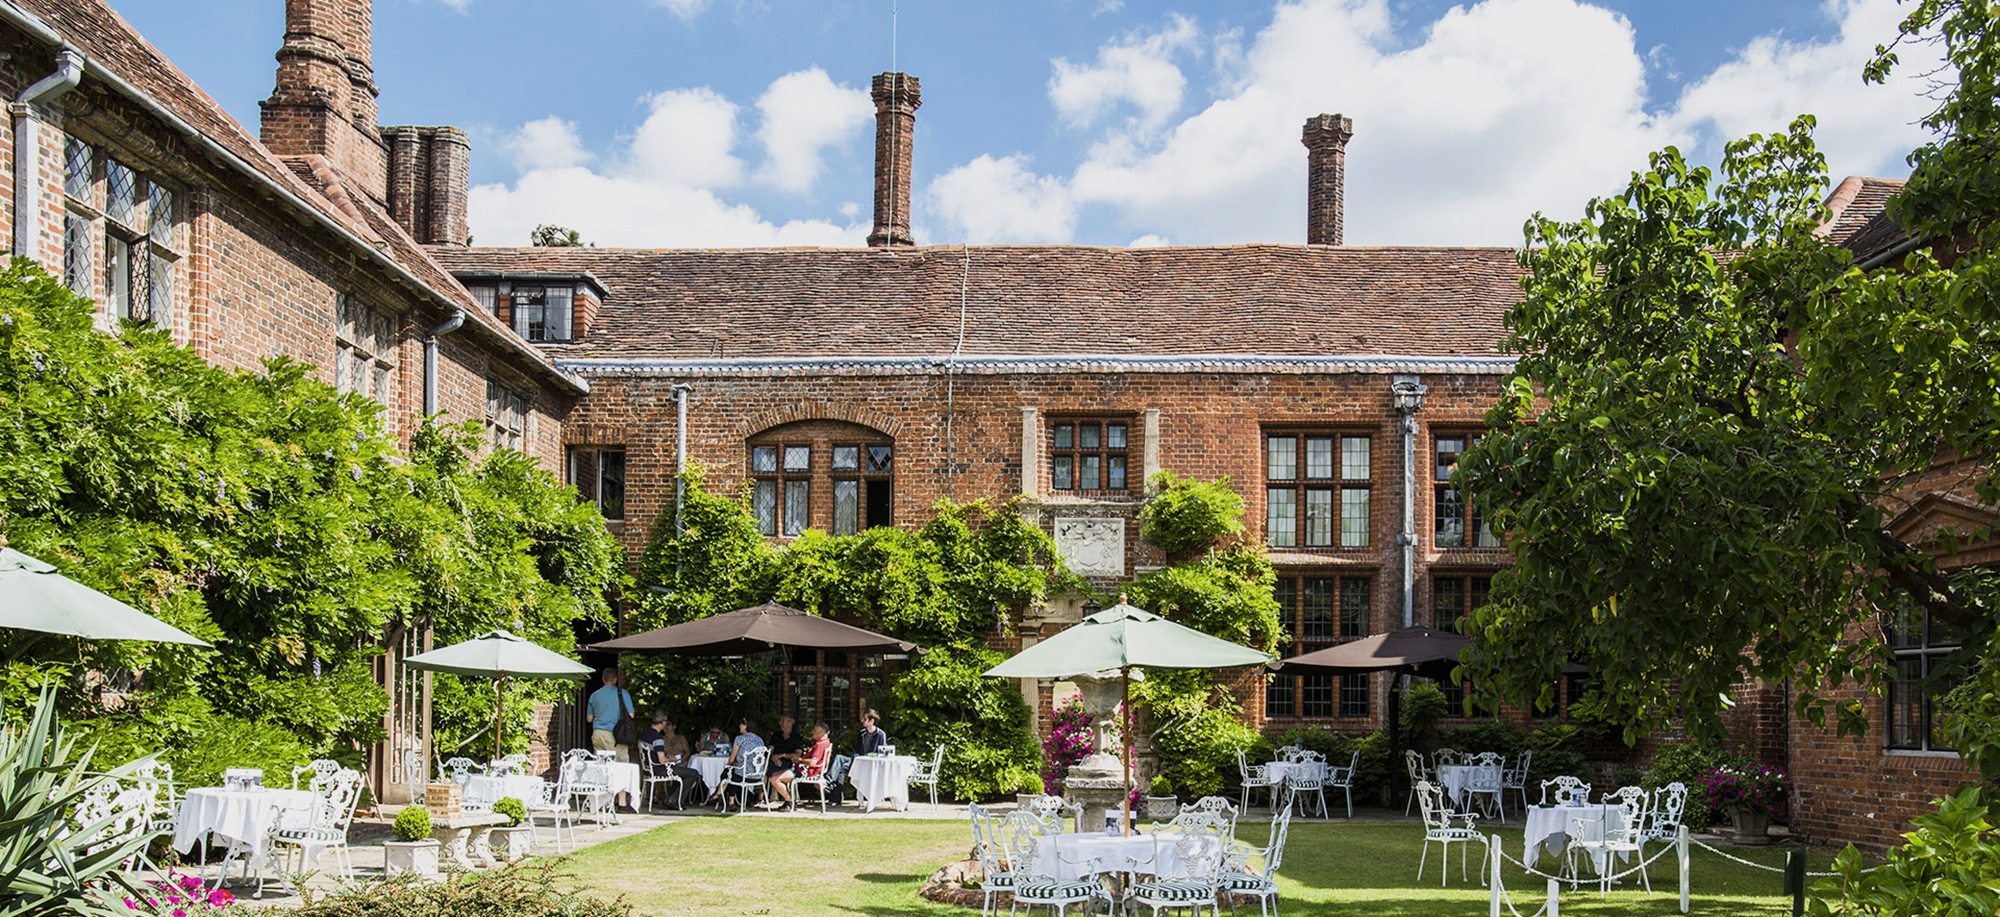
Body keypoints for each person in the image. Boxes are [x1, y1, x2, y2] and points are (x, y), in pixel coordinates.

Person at [583, 667, 637, 811]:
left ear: (603, 679)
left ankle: (601, 801)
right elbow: (631, 715)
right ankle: (622, 802)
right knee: (620, 765)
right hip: (614, 734)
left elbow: (589, 718)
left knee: (601, 767)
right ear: (615, 679)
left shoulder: (594, 695)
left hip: (597, 733)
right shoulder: (622, 693)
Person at [639, 712, 705, 805]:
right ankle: (675, 800)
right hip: (659, 769)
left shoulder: (644, 733)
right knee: (693, 773)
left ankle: (670, 798)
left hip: (647, 768)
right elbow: (662, 760)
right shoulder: (657, 738)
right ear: (663, 722)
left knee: (681, 773)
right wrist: (672, 759)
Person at [766, 721, 833, 809]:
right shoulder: (826, 743)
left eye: (814, 730)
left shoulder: (820, 745)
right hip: (802, 769)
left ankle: (790, 801)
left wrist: (800, 760)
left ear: (821, 732)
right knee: (774, 775)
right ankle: (789, 800)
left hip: (804, 771)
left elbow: (812, 763)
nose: (812, 732)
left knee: (774, 779)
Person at [708, 717, 766, 805]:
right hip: (758, 775)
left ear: (746, 726)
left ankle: (728, 799)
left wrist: (728, 765)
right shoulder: (760, 739)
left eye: (741, 724)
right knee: (731, 772)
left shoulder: (740, 739)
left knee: (728, 772)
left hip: (743, 774)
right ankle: (719, 794)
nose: (739, 726)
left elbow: (731, 759)